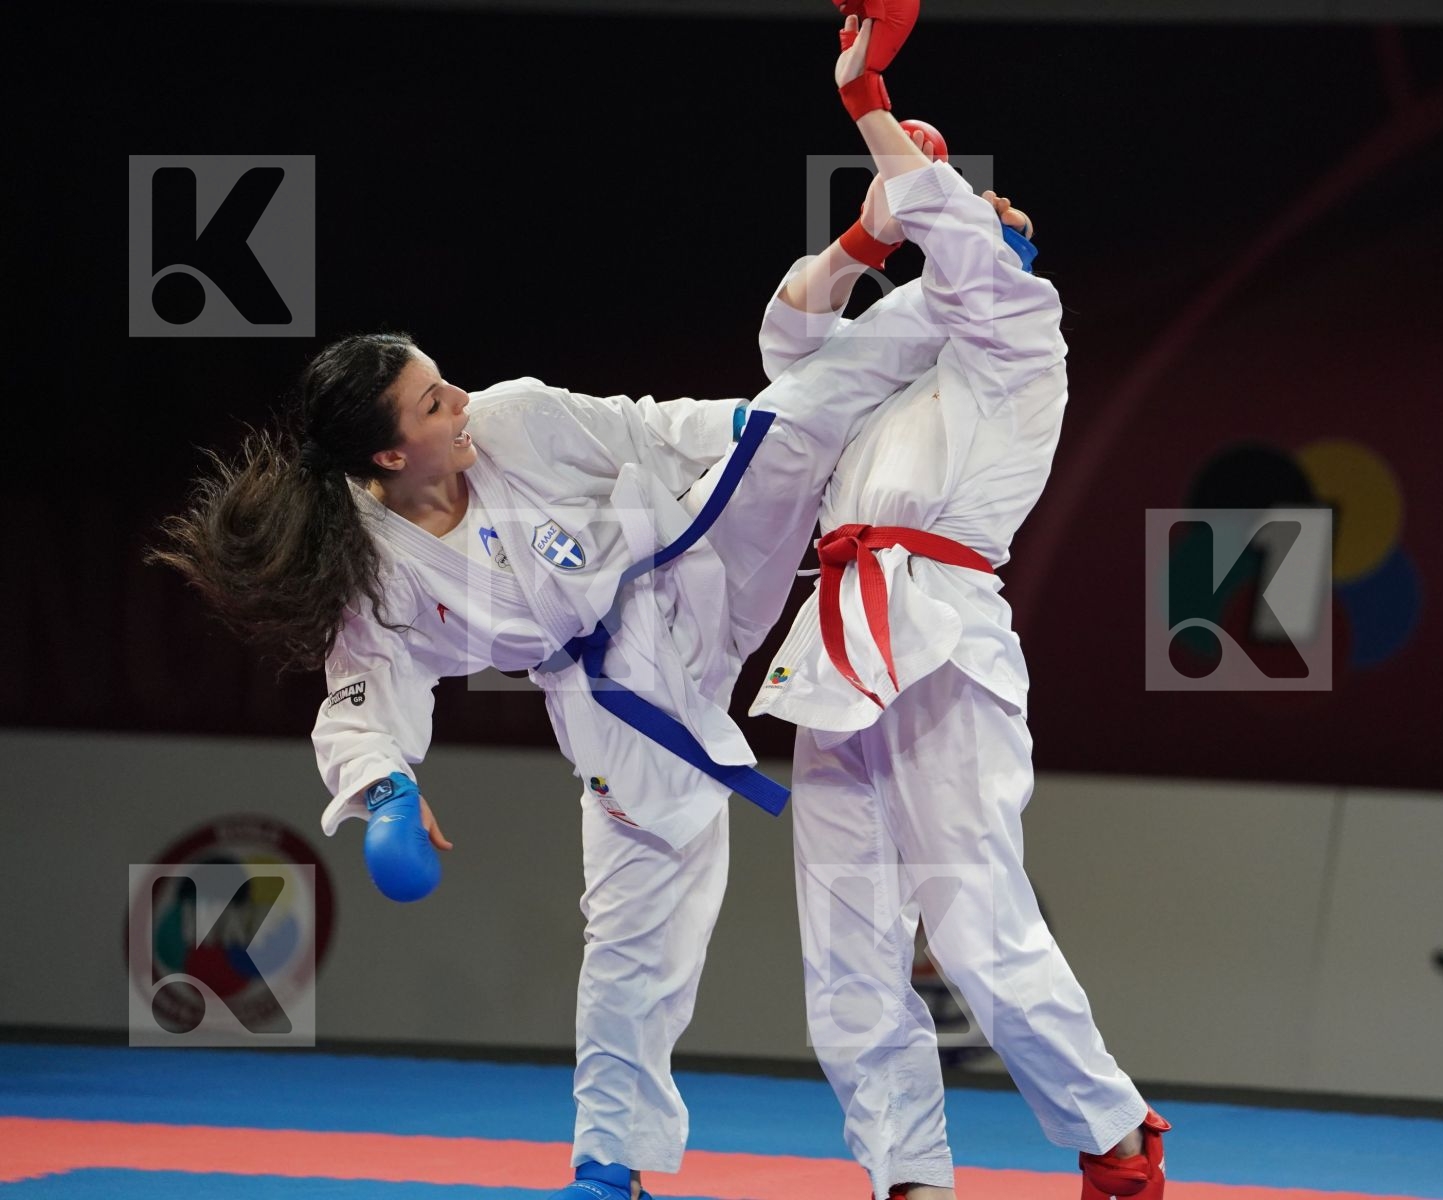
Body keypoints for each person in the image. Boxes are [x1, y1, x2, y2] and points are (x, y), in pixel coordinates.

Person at [149, 17, 944, 1200]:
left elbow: (642, 427)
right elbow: (367, 697)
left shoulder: (514, 415)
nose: (456, 396)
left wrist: (747, 438)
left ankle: (933, 274)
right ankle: (605, 1167)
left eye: (441, 378)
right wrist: (389, 796)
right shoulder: (376, 574)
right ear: (383, 459)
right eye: (430, 400)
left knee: (797, 413)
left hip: (692, 560)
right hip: (613, 701)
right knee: (629, 939)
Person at [747, 14, 1170, 1200]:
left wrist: (871, 105)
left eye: (978, 220)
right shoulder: (903, 367)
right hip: (839, 640)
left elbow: (965, 254)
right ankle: (908, 1177)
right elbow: (790, 345)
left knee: (973, 922)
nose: (979, 232)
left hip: (939, 630)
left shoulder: (1026, 341)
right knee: (844, 951)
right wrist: (860, 234)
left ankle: (1115, 1136)